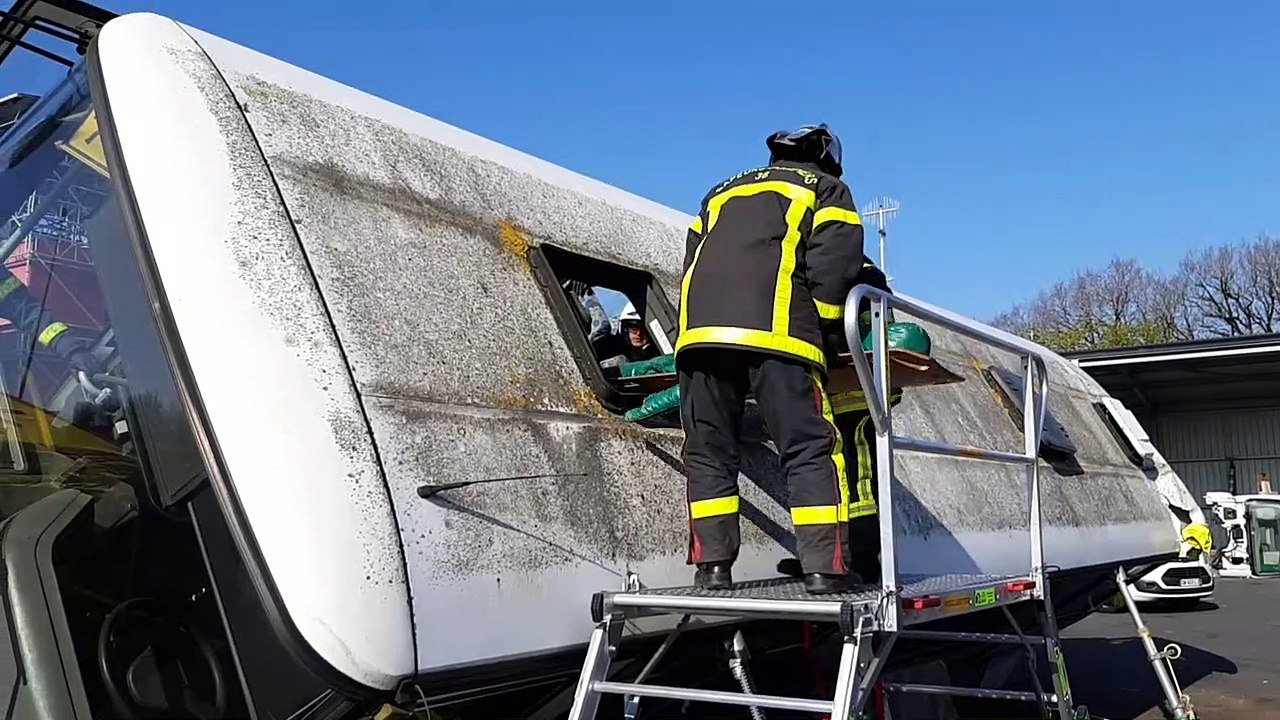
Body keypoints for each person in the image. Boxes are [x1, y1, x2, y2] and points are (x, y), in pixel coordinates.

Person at [675, 123, 865, 595]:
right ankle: (826, 568)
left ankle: (712, 568)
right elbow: (833, 267)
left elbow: (693, 260)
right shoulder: (826, 188)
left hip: (700, 336)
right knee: (808, 448)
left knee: (708, 451)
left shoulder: (719, 192)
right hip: (780, 334)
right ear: (825, 155)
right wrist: (825, 327)